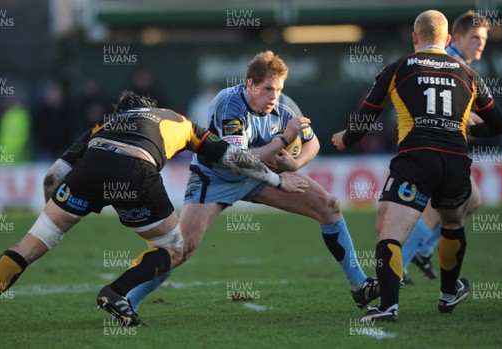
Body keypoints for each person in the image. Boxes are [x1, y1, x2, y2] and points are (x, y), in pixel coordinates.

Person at [0, 91, 309, 332]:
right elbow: (235, 159)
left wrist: (57, 205)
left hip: (87, 172)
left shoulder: (104, 124)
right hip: (135, 172)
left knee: (28, 246)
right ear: (149, 106)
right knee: (174, 248)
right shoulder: (179, 121)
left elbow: (53, 174)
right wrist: (278, 182)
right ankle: (116, 292)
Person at [123, 50, 381, 314]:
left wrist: (295, 164)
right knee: (182, 248)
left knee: (329, 207)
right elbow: (237, 163)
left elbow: (311, 142)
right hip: (215, 178)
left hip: (262, 176)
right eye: (267, 89)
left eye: (278, 89)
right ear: (249, 84)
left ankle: (359, 285)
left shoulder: (284, 106)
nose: (274, 97)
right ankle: (128, 300)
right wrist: (281, 141)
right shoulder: (229, 103)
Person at [332, 10, 502, 321]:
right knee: (452, 224)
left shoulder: (399, 67)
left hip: (417, 160)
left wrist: (345, 139)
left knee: (389, 232)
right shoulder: (468, 73)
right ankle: (449, 294)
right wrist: (470, 129)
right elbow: (498, 123)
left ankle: (388, 306)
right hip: (456, 163)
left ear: (415, 38)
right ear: (449, 40)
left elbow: (365, 117)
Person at [403, 10, 491, 283]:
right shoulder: (450, 61)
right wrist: (484, 123)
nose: (481, 43)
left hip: (441, 148)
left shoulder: (460, 62)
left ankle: (420, 252)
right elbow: (456, 113)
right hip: (436, 148)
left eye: (484, 39)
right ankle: (402, 265)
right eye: (475, 37)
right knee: (438, 210)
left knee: (471, 201)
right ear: (458, 36)